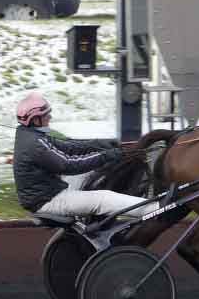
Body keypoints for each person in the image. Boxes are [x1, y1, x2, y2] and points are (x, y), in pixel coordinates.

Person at [13, 92, 159, 218]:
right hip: (47, 200)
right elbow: (69, 164)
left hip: (47, 192)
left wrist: (104, 144)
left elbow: (70, 147)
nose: (49, 117)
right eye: (46, 114)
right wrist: (110, 155)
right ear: (35, 119)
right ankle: (156, 208)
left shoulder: (30, 135)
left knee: (95, 177)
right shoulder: (36, 143)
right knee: (103, 199)